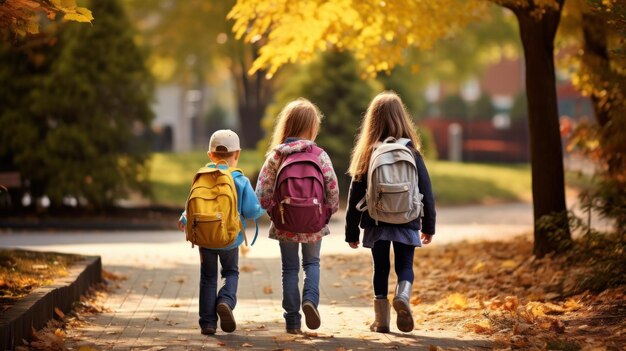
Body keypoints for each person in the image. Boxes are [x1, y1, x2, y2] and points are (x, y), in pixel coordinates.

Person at [344, 91, 436, 333]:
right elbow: (426, 190)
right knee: (405, 265)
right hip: (408, 219)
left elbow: (355, 196)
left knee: (381, 268)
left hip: (376, 221)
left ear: (372, 121)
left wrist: (351, 231)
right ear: (402, 118)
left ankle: (381, 321)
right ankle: (403, 294)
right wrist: (429, 226)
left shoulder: (368, 153)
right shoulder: (412, 152)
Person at [255, 98, 340, 334]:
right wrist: (326, 214)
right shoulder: (320, 155)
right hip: (314, 222)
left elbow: (261, 194)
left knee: (289, 269)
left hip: (285, 222)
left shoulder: (276, 156)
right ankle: (310, 301)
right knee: (312, 263)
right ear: (312, 127)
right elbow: (332, 190)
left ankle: (292, 320)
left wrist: (274, 210)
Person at [177, 129, 265, 335]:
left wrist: (184, 218)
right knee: (230, 272)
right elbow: (252, 210)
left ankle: (207, 323)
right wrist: (263, 208)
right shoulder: (240, 180)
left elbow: (194, 205)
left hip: (205, 238)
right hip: (230, 239)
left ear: (210, 155)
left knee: (207, 278)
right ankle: (225, 300)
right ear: (238, 154)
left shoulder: (202, 176)